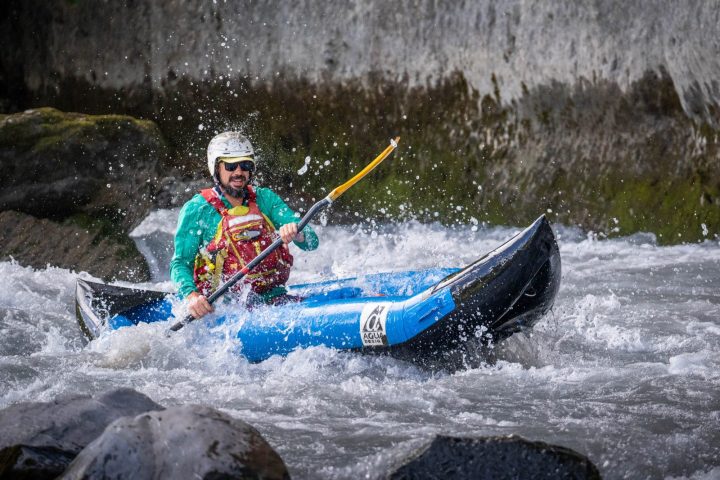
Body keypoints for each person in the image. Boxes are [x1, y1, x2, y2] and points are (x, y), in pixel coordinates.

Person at [170, 131, 319, 319]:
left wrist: (297, 233)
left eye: (245, 165)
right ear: (216, 168)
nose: (239, 172)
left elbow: (312, 243)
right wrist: (192, 297)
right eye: (231, 166)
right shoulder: (197, 210)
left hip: (273, 299)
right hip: (225, 309)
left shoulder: (266, 198)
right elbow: (180, 263)